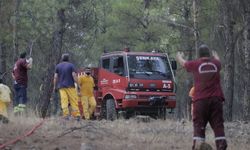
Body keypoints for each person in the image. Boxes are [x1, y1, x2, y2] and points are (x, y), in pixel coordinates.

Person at [176, 44, 227, 150]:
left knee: (199, 126)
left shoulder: (195, 64)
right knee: (218, 125)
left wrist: (179, 56)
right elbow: (219, 61)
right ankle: (221, 145)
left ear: (198, 55)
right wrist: (215, 55)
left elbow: (183, 63)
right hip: (216, 99)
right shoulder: (216, 64)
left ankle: (198, 146)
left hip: (200, 101)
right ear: (209, 54)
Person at [53, 53, 81, 120]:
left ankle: (66, 116)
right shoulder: (71, 66)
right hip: (70, 86)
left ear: (62, 59)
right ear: (68, 59)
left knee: (64, 101)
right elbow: (74, 75)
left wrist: (54, 86)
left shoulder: (58, 66)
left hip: (61, 87)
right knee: (73, 101)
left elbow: (55, 77)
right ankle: (76, 116)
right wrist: (78, 85)